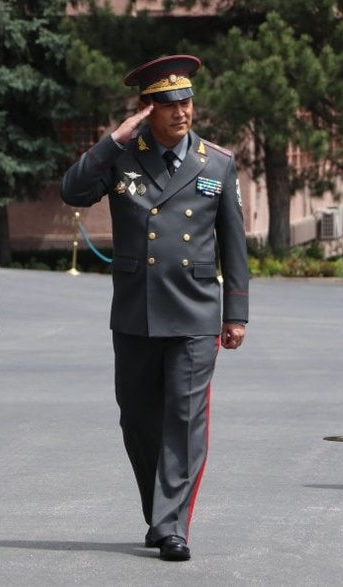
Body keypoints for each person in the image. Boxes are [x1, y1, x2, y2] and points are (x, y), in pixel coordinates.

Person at [60, 54, 250, 561]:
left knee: (184, 420)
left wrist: (236, 314)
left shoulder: (216, 162)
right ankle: (160, 510)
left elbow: (234, 243)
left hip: (194, 311)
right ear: (148, 110)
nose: (181, 112)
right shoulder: (124, 156)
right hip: (137, 311)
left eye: (186, 101)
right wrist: (111, 140)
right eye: (168, 104)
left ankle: (172, 525)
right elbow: (72, 190)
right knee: (138, 420)